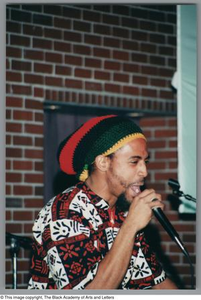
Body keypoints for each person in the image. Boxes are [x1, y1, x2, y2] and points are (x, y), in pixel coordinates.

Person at [28, 114, 177, 290]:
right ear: (103, 162)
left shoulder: (123, 212)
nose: (144, 171)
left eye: (145, 162)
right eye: (134, 161)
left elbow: (156, 284)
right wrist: (130, 227)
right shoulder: (65, 213)